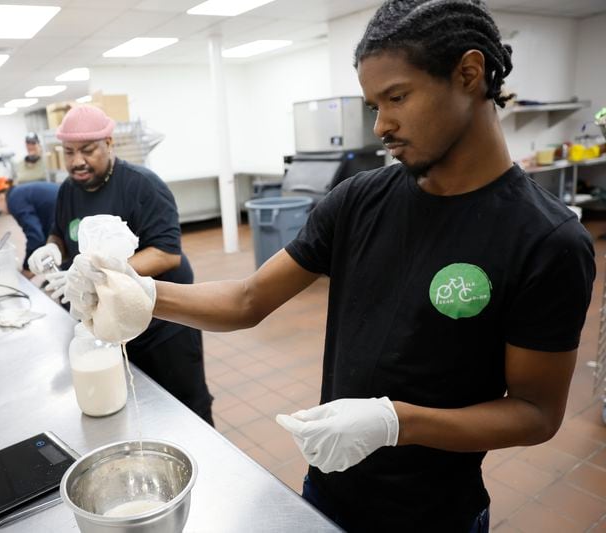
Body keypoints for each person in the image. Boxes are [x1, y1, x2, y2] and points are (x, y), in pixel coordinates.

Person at [61, 2, 596, 531]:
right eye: (374, 106)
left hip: (434, 513)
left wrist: (396, 423)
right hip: (328, 487)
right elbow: (249, 300)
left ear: (469, 74)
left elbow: (536, 412)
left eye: (397, 97)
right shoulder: (361, 199)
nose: (382, 125)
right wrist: (141, 294)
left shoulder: (546, 241)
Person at [27, 105, 214, 425]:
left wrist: (98, 272)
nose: (77, 161)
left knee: (183, 405)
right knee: (135, 406)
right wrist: (51, 250)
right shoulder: (68, 190)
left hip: (161, 321)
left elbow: (166, 253)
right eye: (69, 152)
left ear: (109, 144)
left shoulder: (143, 186)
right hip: (110, 324)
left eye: (87, 150)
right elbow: (59, 232)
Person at [0, 177, 60, 277]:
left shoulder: (14, 200)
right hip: (60, 210)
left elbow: (35, 237)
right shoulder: (19, 193)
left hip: (64, 211)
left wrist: (27, 269)